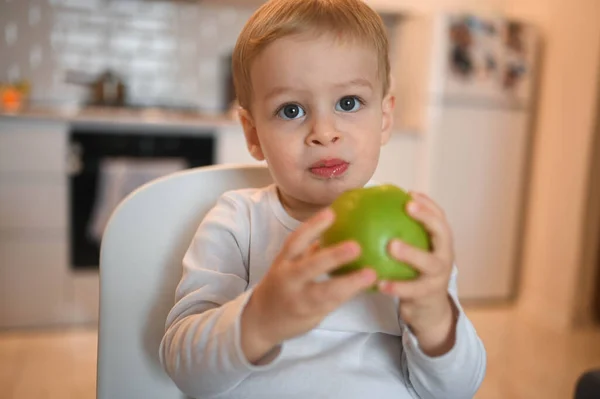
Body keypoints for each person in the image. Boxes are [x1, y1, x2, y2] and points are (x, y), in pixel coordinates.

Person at [159, 0, 486, 398]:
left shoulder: (412, 231)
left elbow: (456, 391)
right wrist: (260, 319)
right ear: (252, 134)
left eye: (348, 103)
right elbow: (185, 369)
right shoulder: (237, 222)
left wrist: (434, 318)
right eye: (291, 109)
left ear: (384, 118)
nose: (324, 132)